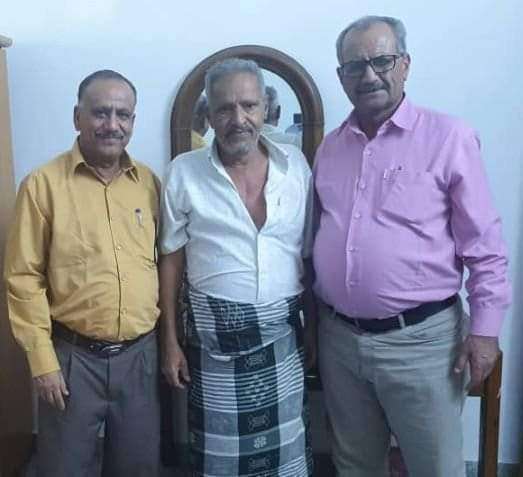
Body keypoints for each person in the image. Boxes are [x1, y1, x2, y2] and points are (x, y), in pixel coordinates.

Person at [313, 15, 511, 477]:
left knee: (433, 467)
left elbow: (485, 246)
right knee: (354, 464)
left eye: (381, 61)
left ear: (405, 64)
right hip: (340, 340)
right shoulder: (330, 148)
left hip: (422, 343)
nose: (368, 75)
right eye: (354, 66)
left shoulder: (449, 137)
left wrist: (485, 333)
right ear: (341, 76)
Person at [159, 58, 314, 477]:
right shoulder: (183, 173)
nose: (238, 119)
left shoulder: (295, 167)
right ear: (209, 116)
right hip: (213, 351)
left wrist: (314, 331)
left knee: (285, 460)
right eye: (225, 108)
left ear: (265, 108)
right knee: (218, 462)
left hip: (283, 343)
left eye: (248, 105)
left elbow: (307, 255)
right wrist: (170, 341)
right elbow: (170, 260)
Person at [4, 70, 162, 476]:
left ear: (133, 121)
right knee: (65, 467)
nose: (112, 125)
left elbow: (163, 261)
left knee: (138, 466)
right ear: (77, 117)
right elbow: (23, 277)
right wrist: (43, 362)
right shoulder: (42, 185)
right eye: (100, 113)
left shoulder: (148, 183)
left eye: (123, 115)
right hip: (73, 359)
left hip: (140, 357)